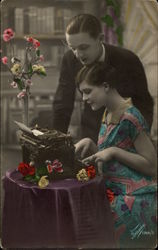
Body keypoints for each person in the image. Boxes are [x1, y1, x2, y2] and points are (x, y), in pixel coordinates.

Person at [75, 62, 157, 248]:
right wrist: (91, 144)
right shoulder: (108, 111)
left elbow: (152, 166)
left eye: (87, 91)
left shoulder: (130, 117)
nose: (84, 98)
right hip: (114, 190)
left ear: (105, 86)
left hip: (135, 200)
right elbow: (113, 160)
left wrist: (114, 151)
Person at [52, 13, 153, 143]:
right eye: (73, 48)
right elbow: (62, 104)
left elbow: (144, 104)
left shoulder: (128, 60)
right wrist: (55, 143)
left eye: (84, 47)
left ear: (100, 38)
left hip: (125, 133)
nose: (78, 55)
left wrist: (138, 137)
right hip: (90, 134)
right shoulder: (70, 60)